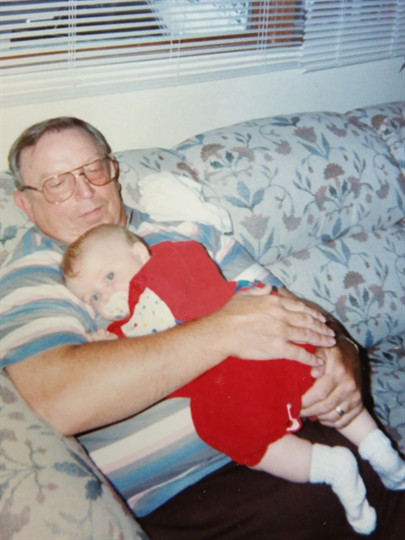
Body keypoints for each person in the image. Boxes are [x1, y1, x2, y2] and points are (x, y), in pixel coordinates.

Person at [1, 116, 404, 539]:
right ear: (25, 204)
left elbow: (290, 306)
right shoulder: (31, 278)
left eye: (92, 169)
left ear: (113, 169)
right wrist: (223, 331)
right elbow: (59, 400)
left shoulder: (186, 231)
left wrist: (342, 351)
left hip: (299, 423)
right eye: (58, 183)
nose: (85, 191)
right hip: (196, 487)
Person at [62, 224, 405, 535]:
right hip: (268, 358)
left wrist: (115, 339)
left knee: (232, 428)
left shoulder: (161, 272)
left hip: (245, 370)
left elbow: (158, 327)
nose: (106, 297)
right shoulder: (160, 278)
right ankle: (378, 448)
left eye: (109, 277)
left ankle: (329, 466)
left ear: (140, 254)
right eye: (94, 298)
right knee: (308, 379)